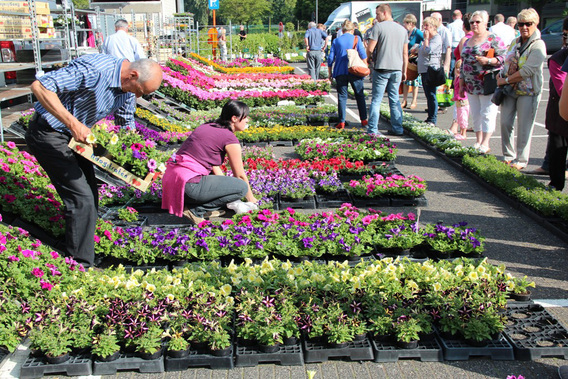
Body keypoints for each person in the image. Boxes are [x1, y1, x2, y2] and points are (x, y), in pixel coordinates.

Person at [25, 56, 163, 267]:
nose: (137, 96)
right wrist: (73, 123)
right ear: (133, 75)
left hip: (75, 139)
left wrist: (141, 163)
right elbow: (40, 85)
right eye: (139, 91)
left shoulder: (126, 88)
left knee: (90, 193)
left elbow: (126, 124)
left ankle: (80, 247)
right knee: (81, 199)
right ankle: (80, 265)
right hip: (48, 133)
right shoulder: (96, 70)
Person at [161, 100, 258, 224]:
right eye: (245, 117)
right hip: (189, 186)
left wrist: (226, 188)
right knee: (241, 188)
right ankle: (196, 210)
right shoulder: (229, 138)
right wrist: (251, 200)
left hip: (172, 183)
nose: (247, 120)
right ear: (234, 118)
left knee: (228, 185)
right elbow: (239, 175)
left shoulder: (207, 126)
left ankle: (199, 206)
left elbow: (214, 167)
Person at [497, 8, 546, 171]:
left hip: (529, 91)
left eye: (528, 24)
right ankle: (508, 155)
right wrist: (501, 75)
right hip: (510, 89)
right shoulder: (515, 41)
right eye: (521, 24)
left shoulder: (539, 44)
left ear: (535, 23)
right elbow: (506, 60)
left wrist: (506, 80)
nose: (524, 27)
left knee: (524, 126)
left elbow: (527, 71)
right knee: (505, 122)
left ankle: (521, 159)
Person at [459, 10, 507, 154]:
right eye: (472, 22)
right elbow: (463, 62)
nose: (474, 24)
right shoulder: (468, 40)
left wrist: (489, 60)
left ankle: (486, 142)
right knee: (476, 113)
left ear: (486, 23)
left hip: (487, 81)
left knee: (487, 112)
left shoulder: (493, 39)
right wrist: (461, 82)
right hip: (470, 83)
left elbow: (504, 57)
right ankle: (478, 140)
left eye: (477, 22)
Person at [366, 4, 408, 136]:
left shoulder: (378, 27)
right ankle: (398, 128)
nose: (376, 17)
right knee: (394, 99)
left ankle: (372, 129)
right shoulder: (402, 29)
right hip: (397, 68)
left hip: (382, 67)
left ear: (385, 13)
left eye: (378, 14)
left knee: (377, 100)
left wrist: (368, 60)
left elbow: (370, 48)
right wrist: (404, 70)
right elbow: (405, 53)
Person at [327, 20, 368, 130]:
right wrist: (366, 67)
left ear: (342, 30)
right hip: (355, 70)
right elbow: (363, 55)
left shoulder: (336, 41)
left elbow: (330, 58)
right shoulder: (356, 39)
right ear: (352, 29)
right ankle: (363, 119)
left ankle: (342, 121)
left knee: (342, 96)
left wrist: (330, 73)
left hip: (340, 71)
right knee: (359, 95)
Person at [448, 13, 473, 136]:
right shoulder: (475, 38)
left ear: (464, 26)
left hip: (462, 72)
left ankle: (456, 126)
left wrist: (459, 75)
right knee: (466, 102)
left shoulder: (466, 39)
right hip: (469, 73)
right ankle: (462, 125)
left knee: (461, 101)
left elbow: (463, 59)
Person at [417, 16, 443, 127]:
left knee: (431, 94)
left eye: (427, 26)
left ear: (433, 27)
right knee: (428, 94)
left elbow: (428, 51)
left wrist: (426, 39)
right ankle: (430, 117)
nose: (425, 29)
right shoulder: (428, 39)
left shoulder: (436, 38)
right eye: (424, 26)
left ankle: (433, 119)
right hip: (424, 69)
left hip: (431, 69)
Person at [401, 13, 423, 110]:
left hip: (414, 59)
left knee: (414, 81)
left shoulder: (417, 32)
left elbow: (425, 41)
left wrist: (418, 50)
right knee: (405, 79)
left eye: (405, 23)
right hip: (406, 58)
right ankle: (404, 100)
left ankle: (414, 100)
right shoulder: (406, 33)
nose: (404, 25)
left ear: (410, 23)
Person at [451, 59, 468, 140]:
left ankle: (463, 133)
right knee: (459, 117)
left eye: (460, 68)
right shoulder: (457, 78)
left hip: (463, 100)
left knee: (463, 117)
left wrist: (456, 98)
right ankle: (460, 132)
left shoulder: (463, 79)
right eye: (457, 68)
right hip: (458, 100)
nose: (458, 70)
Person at [447, 10, 465, 78]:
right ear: (461, 16)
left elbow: (449, 38)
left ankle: (450, 83)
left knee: (452, 66)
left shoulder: (450, 25)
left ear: (453, 17)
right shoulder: (463, 24)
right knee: (460, 65)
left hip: (453, 46)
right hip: (462, 45)